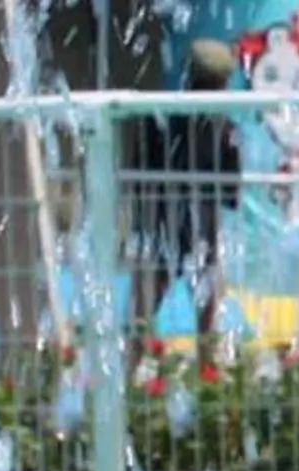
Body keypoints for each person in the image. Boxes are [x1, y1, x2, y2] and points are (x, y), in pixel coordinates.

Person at [123, 38, 243, 347]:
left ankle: (130, 373)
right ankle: (207, 375)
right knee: (207, 307)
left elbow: (136, 174)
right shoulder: (227, 129)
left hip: (157, 218)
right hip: (201, 224)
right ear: (224, 83)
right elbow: (229, 194)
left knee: (144, 306)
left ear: (187, 74)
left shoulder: (158, 117)